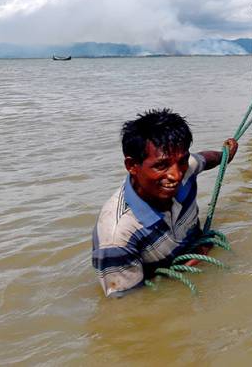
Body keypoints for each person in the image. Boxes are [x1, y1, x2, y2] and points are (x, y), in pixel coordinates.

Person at [92, 109, 239, 298]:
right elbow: (128, 307)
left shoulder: (184, 168)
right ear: (131, 166)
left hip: (198, 252)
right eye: (161, 166)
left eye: (182, 161)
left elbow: (203, 159)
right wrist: (180, 274)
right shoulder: (116, 237)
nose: (176, 175)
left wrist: (225, 155)